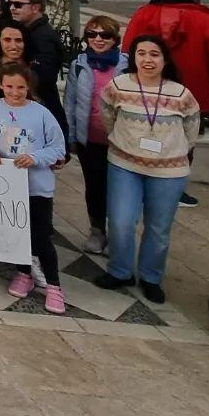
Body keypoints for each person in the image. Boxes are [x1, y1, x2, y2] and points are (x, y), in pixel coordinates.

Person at [94, 35, 202, 303]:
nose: (147, 59)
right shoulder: (119, 85)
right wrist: (125, 143)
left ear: (165, 60)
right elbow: (107, 116)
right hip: (124, 164)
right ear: (134, 58)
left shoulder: (180, 93)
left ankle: (151, 277)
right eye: (141, 53)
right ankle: (120, 271)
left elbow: (191, 130)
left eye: (154, 54)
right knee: (120, 221)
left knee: (158, 227)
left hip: (169, 171)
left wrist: (170, 152)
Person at [121, 0, 209, 209]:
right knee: (184, 141)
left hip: (146, 89)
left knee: (144, 134)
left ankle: (142, 184)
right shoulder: (207, 22)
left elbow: (127, 50)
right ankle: (175, 189)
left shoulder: (145, 14)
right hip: (191, 93)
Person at [0, 61, 68, 313]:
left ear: (29, 87)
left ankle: (54, 286)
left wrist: (36, 158)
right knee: (17, 233)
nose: (15, 92)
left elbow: (58, 147)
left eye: (20, 88)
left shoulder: (41, 113)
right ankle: (23, 272)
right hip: (7, 186)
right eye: (9, 87)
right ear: (0, 85)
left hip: (36, 186)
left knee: (40, 237)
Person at [63, 15, 128, 254]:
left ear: (115, 38)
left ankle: (118, 233)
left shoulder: (126, 65)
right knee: (95, 186)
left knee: (119, 188)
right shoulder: (79, 64)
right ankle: (97, 230)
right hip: (89, 139)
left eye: (105, 35)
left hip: (120, 142)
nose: (98, 39)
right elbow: (70, 101)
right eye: (92, 34)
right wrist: (70, 136)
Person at [6, 0, 69, 140]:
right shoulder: (28, 31)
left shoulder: (44, 37)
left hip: (42, 111)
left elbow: (43, 77)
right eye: (11, 4)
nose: (12, 8)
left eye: (18, 5)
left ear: (35, 8)